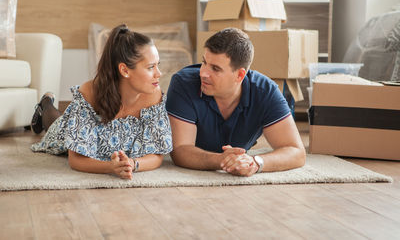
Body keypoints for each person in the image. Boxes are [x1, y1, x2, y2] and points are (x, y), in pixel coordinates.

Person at [31, 24, 172, 179]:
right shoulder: (89, 93)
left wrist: (132, 163)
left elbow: (157, 154)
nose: (159, 73)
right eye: (151, 67)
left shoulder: (154, 95)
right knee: (56, 124)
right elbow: (76, 160)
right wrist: (110, 167)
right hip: (64, 131)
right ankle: (46, 104)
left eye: (158, 65)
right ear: (125, 70)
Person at [166, 28, 305, 177]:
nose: (203, 73)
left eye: (215, 69)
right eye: (204, 62)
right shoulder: (183, 83)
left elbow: (296, 152)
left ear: (240, 75)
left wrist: (255, 163)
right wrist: (222, 160)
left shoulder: (265, 91)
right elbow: (180, 150)